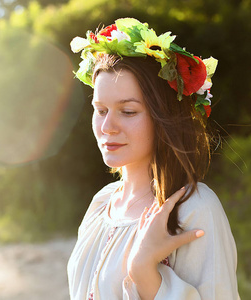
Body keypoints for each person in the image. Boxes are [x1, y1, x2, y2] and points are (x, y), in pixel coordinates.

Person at [68, 18, 240, 300]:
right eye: (100, 110)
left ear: (164, 117)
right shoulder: (102, 204)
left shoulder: (193, 210)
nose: (108, 126)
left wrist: (144, 272)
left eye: (128, 111)